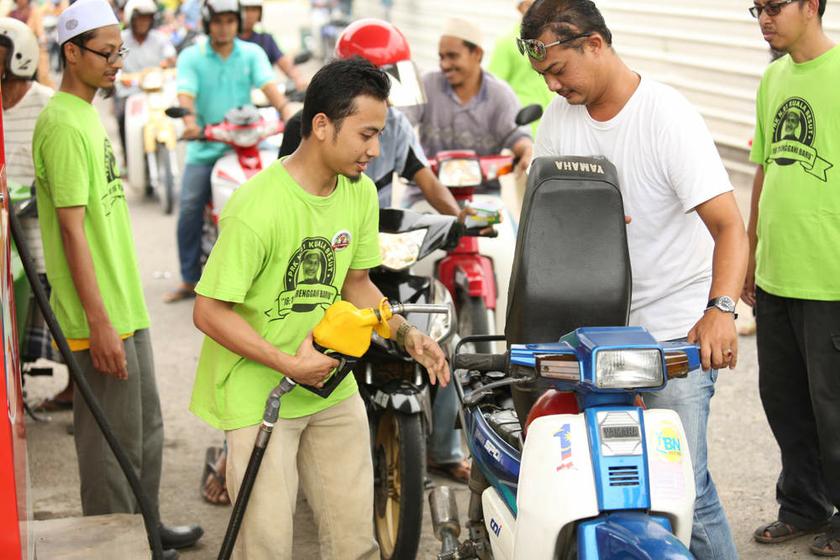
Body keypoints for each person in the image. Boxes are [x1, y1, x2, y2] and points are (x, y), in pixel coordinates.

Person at [189, 57, 450, 560]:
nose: (375, 150)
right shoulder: (257, 207)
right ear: (322, 126)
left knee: (354, 541)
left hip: (330, 385)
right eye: (366, 134)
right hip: (258, 392)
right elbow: (209, 312)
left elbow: (356, 283)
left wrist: (404, 333)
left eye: (381, 134)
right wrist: (289, 364)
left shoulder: (357, 195)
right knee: (266, 545)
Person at [520, 1, 748, 558]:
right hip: (591, 338)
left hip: (670, 337)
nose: (552, 87)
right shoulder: (559, 119)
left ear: (594, 44)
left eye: (557, 70)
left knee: (681, 491)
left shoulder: (665, 116)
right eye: (543, 76)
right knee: (590, 489)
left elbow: (730, 226)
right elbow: (543, 217)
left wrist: (720, 309)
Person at [32, 1, 202, 558]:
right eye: (106, 53)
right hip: (97, 315)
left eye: (119, 50)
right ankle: (112, 544)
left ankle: (144, 529)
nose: (116, 63)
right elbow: (72, 233)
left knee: (145, 433)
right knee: (109, 447)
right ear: (71, 52)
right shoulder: (60, 123)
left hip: (125, 304)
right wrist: (99, 323)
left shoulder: (89, 114)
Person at [743, 0, 840, 555]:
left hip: (830, 279)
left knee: (835, 410)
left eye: (774, 6)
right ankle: (802, 504)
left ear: (812, 5)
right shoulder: (773, 78)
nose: (764, 18)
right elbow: (764, 164)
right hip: (779, 274)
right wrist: (752, 250)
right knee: (786, 403)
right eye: (756, 8)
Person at [165, 0, 292, 303]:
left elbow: (269, 85)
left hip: (248, 141)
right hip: (207, 146)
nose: (224, 28)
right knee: (190, 207)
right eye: (218, 21)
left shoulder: (251, 53)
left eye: (230, 21)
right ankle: (188, 278)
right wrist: (190, 122)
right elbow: (186, 93)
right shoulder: (191, 57)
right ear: (208, 23)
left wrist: (287, 110)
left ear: (238, 22)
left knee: (285, 192)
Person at [0, 17, 65, 406]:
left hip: (40, 231)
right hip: (4, 232)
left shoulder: (46, 105)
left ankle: (74, 389)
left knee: (62, 317)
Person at [403, 16, 533, 206]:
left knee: (511, 235)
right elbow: (402, 122)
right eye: (441, 57)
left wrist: (526, 149)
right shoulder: (426, 84)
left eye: (453, 56)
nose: (445, 64)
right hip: (424, 192)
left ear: (477, 54)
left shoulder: (500, 94)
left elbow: (517, 136)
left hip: (483, 195)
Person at [114, 0, 176, 163]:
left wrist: (167, 63)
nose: (143, 23)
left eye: (147, 18)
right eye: (139, 18)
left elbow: (171, 56)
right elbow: (113, 61)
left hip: (156, 91)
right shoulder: (121, 39)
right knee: (121, 117)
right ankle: (128, 158)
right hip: (131, 92)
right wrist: (122, 77)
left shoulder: (159, 38)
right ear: (131, 19)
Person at [488, 0, 553, 137]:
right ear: (519, 8)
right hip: (523, 124)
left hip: (552, 121)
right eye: (529, 5)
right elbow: (492, 91)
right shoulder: (506, 44)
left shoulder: (553, 42)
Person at [239, 0, 307, 92]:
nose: (250, 14)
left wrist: (298, 78)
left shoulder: (266, 40)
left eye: (254, 10)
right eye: (246, 10)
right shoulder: (228, 42)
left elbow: (283, 62)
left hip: (265, 93)